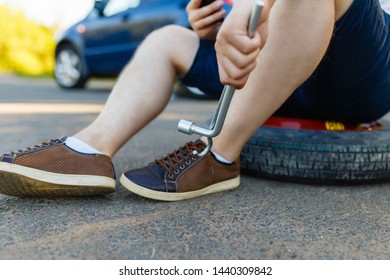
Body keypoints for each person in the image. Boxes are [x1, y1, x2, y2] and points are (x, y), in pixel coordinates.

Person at [0, 0, 389, 201]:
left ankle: (219, 155)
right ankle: (91, 149)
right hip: (268, 71)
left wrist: (256, 8)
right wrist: (207, 23)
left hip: (354, 72)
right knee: (167, 38)